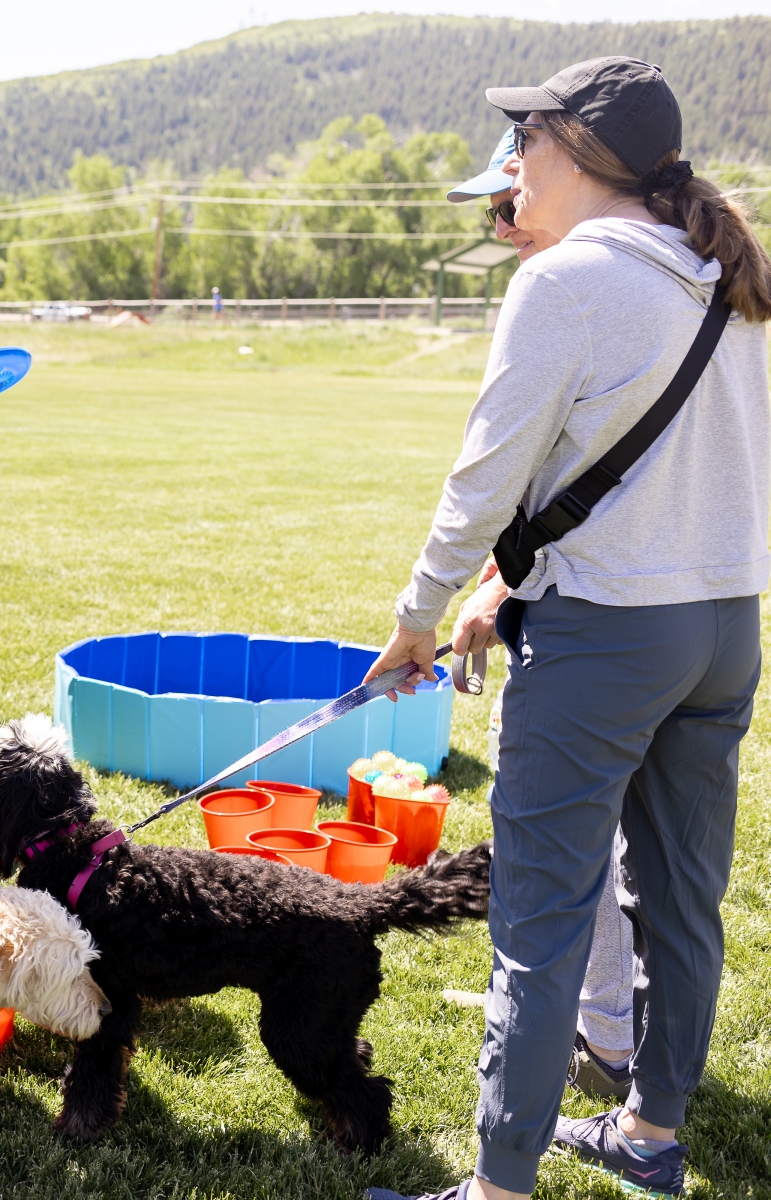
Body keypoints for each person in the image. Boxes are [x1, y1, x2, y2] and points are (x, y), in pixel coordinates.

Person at [363, 57, 771, 1200]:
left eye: (526, 137)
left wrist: (418, 617)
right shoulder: (725, 272)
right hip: (725, 629)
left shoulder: (565, 282)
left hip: (605, 636)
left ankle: (498, 1185)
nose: (512, 162)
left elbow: (483, 480)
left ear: (581, 151)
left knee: (539, 923)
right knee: (682, 905)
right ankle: (649, 1135)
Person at [448, 129, 639, 1103]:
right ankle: (600, 1026)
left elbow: (521, 485)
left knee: (564, 841)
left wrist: (450, 598)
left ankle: (594, 1037)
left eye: (509, 200)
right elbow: (553, 488)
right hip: (606, 610)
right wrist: (497, 585)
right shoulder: (603, 291)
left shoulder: (567, 295)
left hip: (593, 623)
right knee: (605, 841)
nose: (501, 222)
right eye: (494, 207)